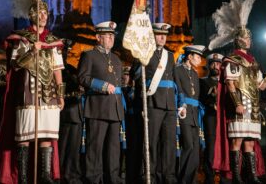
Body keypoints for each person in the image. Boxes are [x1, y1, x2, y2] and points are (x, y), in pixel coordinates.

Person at [0, 0, 65, 184]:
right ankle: (23, 178)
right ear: (32, 15)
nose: (43, 16)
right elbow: (15, 65)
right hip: (27, 92)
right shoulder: (21, 38)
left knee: (46, 136)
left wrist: (61, 94)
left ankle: (45, 177)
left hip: (49, 94)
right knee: (25, 135)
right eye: (39, 13)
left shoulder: (52, 41)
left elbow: (57, 69)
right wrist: (32, 51)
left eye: (46, 13)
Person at [210, 0, 266, 184]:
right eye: (246, 37)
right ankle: (236, 176)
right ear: (239, 40)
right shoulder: (232, 61)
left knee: (250, 142)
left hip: (252, 107)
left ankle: (251, 175)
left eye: (249, 37)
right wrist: (237, 104)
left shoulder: (253, 62)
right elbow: (230, 84)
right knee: (237, 140)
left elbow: (261, 86)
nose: (249, 40)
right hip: (240, 105)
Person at [77, 21, 124, 184]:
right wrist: (103, 86)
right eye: (107, 35)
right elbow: (83, 78)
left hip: (115, 107)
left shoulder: (116, 59)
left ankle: (113, 178)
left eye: (112, 36)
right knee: (95, 147)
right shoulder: (89, 55)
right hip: (98, 107)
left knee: (114, 148)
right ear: (98, 37)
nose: (111, 38)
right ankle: (93, 179)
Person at [130, 23, 177, 183]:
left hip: (170, 104)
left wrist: (180, 103)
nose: (163, 37)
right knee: (151, 142)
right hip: (152, 102)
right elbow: (135, 76)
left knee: (169, 143)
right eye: (159, 34)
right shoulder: (143, 53)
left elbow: (174, 81)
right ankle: (149, 176)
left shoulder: (170, 56)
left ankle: (168, 176)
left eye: (164, 35)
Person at [174, 44, 206, 184]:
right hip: (184, 112)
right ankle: (183, 179)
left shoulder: (194, 73)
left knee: (195, 148)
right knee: (188, 146)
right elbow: (178, 90)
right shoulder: (177, 70)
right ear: (189, 56)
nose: (200, 60)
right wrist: (181, 106)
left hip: (194, 114)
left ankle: (191, 180)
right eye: (197, 57)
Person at [59, 39, 84, 184]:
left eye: (65, 51)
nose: (64, 54)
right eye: (62, 51)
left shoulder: (71, 69)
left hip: (75, 113)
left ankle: (71, 175)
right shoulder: (54, 70)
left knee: (74, 149)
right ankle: (59, 175)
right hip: (61, 114)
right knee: (61, 149)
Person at [199, 53, 224, 184]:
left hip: (224, 119)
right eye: (213, 63)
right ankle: (209, 177)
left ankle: (225, 177)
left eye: (219, 63)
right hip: (210, 118)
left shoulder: (227, 82)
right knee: (211, 149)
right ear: (209, 66)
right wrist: (211, 94)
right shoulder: (202, 81)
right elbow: (201, 99)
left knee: (225, 147)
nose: (216, 66)